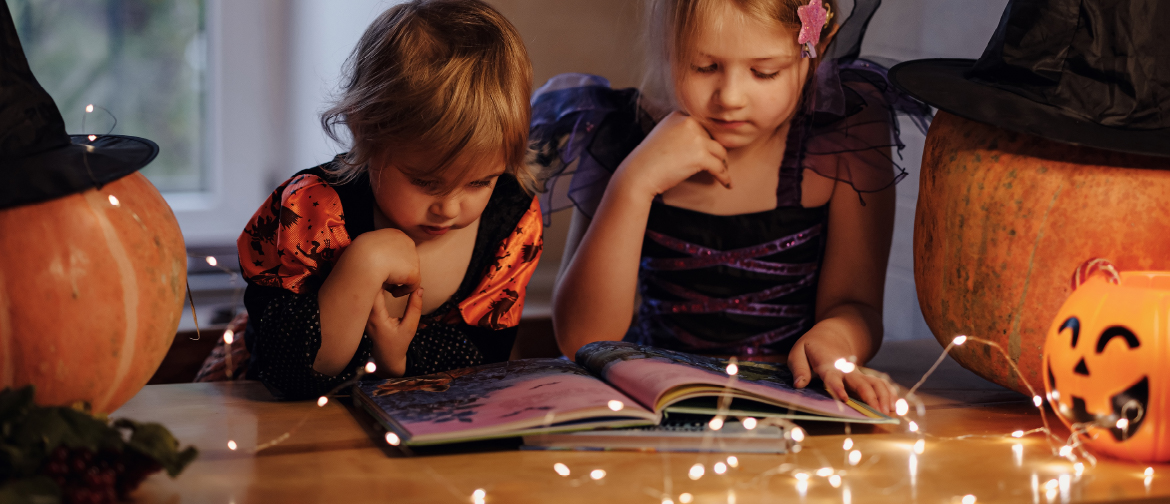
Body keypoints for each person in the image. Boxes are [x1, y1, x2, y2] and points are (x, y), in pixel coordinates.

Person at [534, 0, 930, 414]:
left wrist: (837, 338)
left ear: (816, 48)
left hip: (792, 403)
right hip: (652, 403)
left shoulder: (844, 135)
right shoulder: (622, 135)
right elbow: (583, 338)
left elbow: (857, 305)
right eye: (704, 67)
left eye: (764, 72)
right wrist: (634, 184)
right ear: (667, 47)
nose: (730, 98)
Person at [236, 0, 542, 400]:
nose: (449, 209)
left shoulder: (512, 216)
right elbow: (290, 376)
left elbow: (484, 358)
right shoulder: (314, 208)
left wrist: (398, 362)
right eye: (425, 181)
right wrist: (363, 265)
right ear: (365, 132)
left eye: (478, 183)